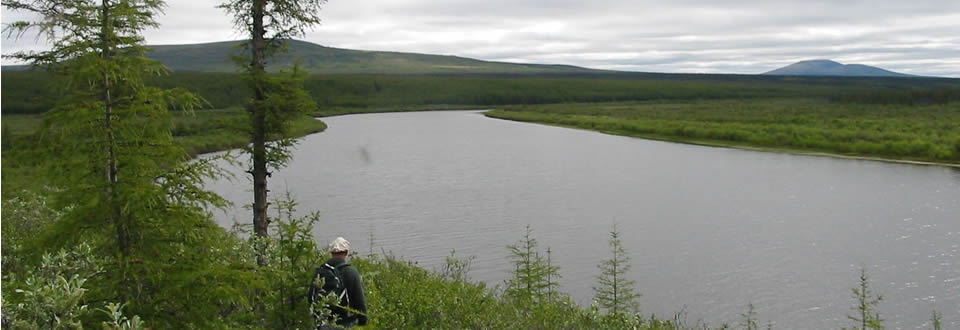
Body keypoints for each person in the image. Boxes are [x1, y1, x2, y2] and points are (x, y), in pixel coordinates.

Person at [312, 237, 368, 328]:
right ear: (346, 253)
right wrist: (363, 321)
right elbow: (359, 300)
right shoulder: (351, 272)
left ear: (331, 253)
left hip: (323, 322)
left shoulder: (320, 271)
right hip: (345, 322)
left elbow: (311, 296)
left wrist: (316, 319)